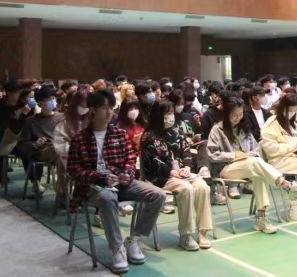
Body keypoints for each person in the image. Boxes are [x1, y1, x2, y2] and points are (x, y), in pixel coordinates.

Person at [67, 89, 165, 274]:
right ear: (93, 110)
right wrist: (99, 176)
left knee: (158, 195)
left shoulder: (119, 134)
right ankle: (117, 248)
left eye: (111, 108)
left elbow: (130, 159)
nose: (109, 112)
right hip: (93, 187)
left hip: (121, 183)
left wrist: (127, 174)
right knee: (107, 197)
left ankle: (135, 239)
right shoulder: (79, 139)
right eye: (104, 108)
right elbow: (74, 171)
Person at [140, 100, 213, 251]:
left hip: (181, 174)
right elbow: (151, 163)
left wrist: (186, 167)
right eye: (167, 113)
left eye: (172, 113)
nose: (171, 116)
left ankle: (203, 232)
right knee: (186, 189)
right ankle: (186, 235)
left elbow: (187, 151)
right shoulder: (148, 137)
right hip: (161, 177)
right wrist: (171, 172)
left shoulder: (177, 132)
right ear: (158, 115)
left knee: (202, 186)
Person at [14, 86, 63, 197]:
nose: (53, 101)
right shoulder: (31, 122)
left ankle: (64, 187)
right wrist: (35, 144)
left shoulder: (62, 118)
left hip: (61, 149)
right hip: (44, 151)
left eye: (54, 98)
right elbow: (22, 143)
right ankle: (58, 188)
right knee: (57, 151)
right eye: (49, 99)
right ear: (40, 103)